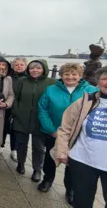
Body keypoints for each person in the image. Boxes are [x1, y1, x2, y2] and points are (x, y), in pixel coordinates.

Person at [37, 63, 97, 203]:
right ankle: (47, 179)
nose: (70, 77)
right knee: (50, 157)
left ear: (80, 75)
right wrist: (51, 130)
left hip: (79, 135)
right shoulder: (51, 90)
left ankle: (70, 188)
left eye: (74, 74)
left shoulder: (91, 90)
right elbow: (42, 110)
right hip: (55, 132)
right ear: (61, 75)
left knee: (74, 162)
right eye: (66, 74)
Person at [54, 66, 107, 208]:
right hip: (83, 160)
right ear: (98, 81)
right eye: (104, 78)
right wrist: (62, 152)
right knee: (82, 202)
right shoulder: (85, 101)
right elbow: (65, 127)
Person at [12, 60, 55, 182]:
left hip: (40, 119)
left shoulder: (51, 82)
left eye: (38, 68)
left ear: (44, 69)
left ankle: (37, 169)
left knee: (39, 147)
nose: (34, 70)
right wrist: (16, 112)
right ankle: (20, 163)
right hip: (22, 118)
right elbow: (16, 97)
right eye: (32, 68)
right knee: (21, 144)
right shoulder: (22, 81)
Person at [2, 57, 28, 161]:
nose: (19, 66)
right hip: (8, 106)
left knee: (15, 130)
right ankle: (0, 145)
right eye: (16, 65)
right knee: (4, 126)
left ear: (25, 66)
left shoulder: (28, 78)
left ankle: (14, 149)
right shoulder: (8, 76)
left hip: (21, 107)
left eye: (21, 65)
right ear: (13, 66)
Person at [0, 57, 15, 157]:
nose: (1, 67)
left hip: (0, 110)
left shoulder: (7, 79)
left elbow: (11, 95)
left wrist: (6, 104)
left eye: (3, 65)